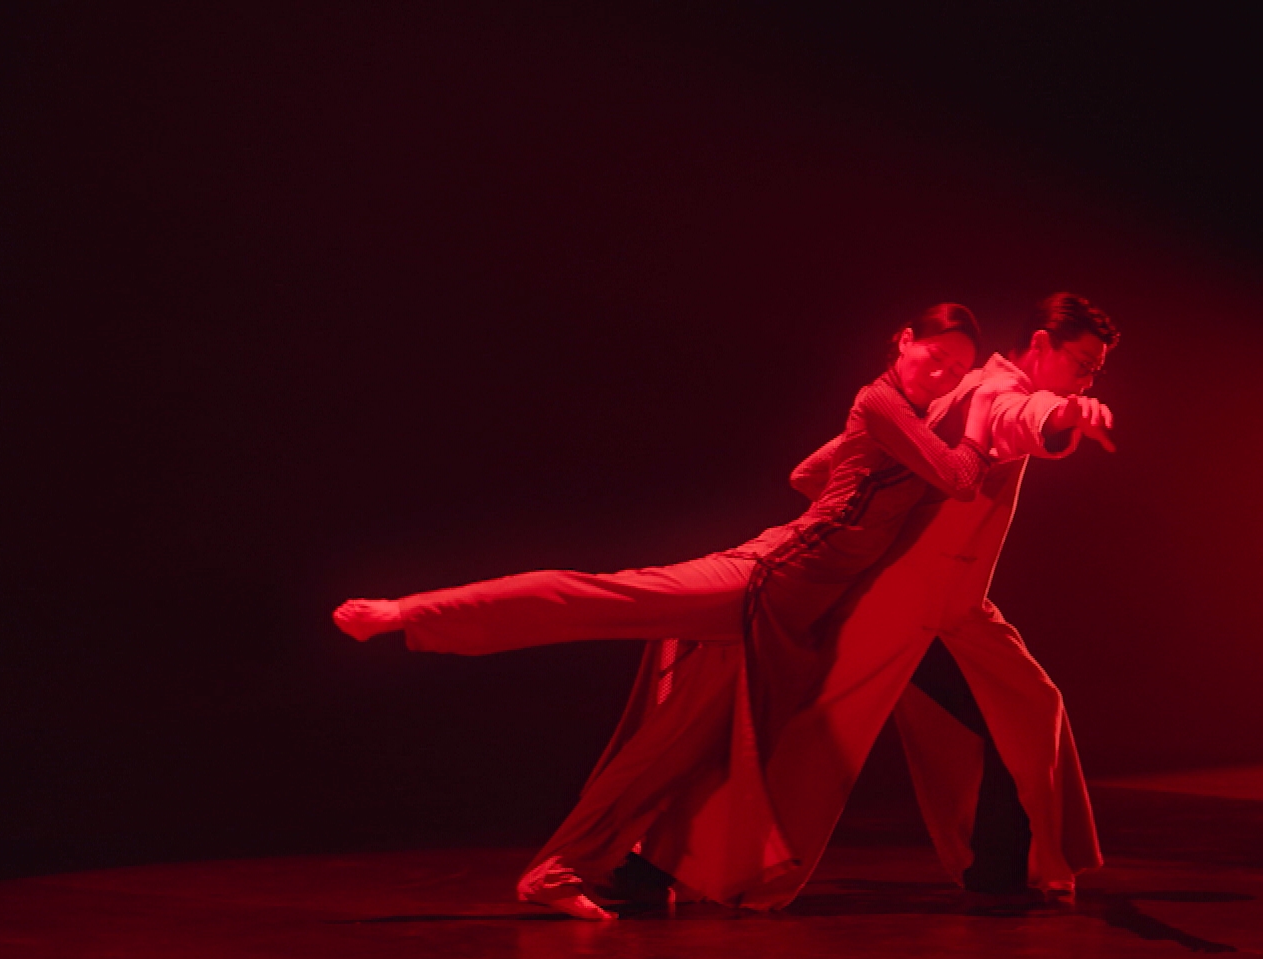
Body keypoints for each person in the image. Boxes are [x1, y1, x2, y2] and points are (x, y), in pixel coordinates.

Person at [335, 303, 998, 917]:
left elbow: (804, 473)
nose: (943, 373)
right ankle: (405, 612)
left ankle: (557, 871)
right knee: (592, 596)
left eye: (959, 369)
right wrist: (976, 417)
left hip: (788, 612)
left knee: (672, 754)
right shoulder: (880, 401)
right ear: (904, 342)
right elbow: (962, 477)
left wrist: (861, 485)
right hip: (761, 578)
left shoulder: (904, 424)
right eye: (935, 356)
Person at [603, 293, 1118, 913]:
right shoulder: (994, 392)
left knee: (1027, 706)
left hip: (949, 607)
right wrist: (1066, 413)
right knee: (808, 737)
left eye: (1095, 372)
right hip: (902, 603)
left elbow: (811, 470)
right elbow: (1024, 416)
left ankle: (1002, 870)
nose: (1089, 380)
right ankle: (654, 864)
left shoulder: (953, 391)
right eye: (1083, 364)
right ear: (1039, 344)